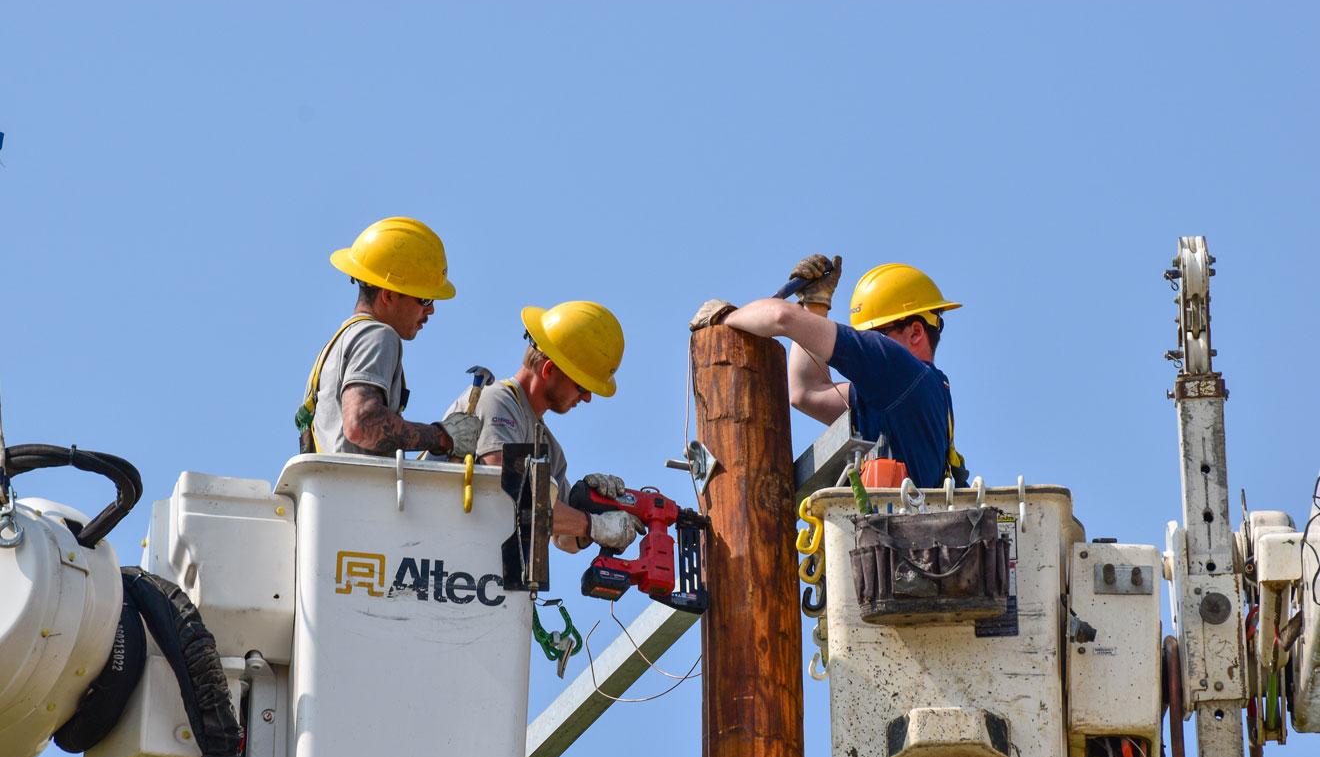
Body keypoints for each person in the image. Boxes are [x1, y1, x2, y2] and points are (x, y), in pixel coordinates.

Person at [689, 254, 968, 488]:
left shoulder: (899, 370)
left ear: (916, 332)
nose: (869, 346)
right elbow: (806, 392)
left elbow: (781, 317)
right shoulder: (907, 395)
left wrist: (724, 317)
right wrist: (816, 304)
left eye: (875, 335)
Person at [444, 300, 643, 553]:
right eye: (582, 386)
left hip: (482, 573)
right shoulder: (496, 401)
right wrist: (592, 524)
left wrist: (597, 506)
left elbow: (563, 537)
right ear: (549, 369)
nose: (587, 398)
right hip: (439, 556)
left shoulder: (547, 447)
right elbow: (507, 486)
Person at [296, 216, 481, 459]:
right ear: (389, 295)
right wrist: (441, 437)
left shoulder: (340, 343)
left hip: (337, 491)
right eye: (424, 299)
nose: (431, 309)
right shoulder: (378, 336)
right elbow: (362, 424)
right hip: (356, 493)